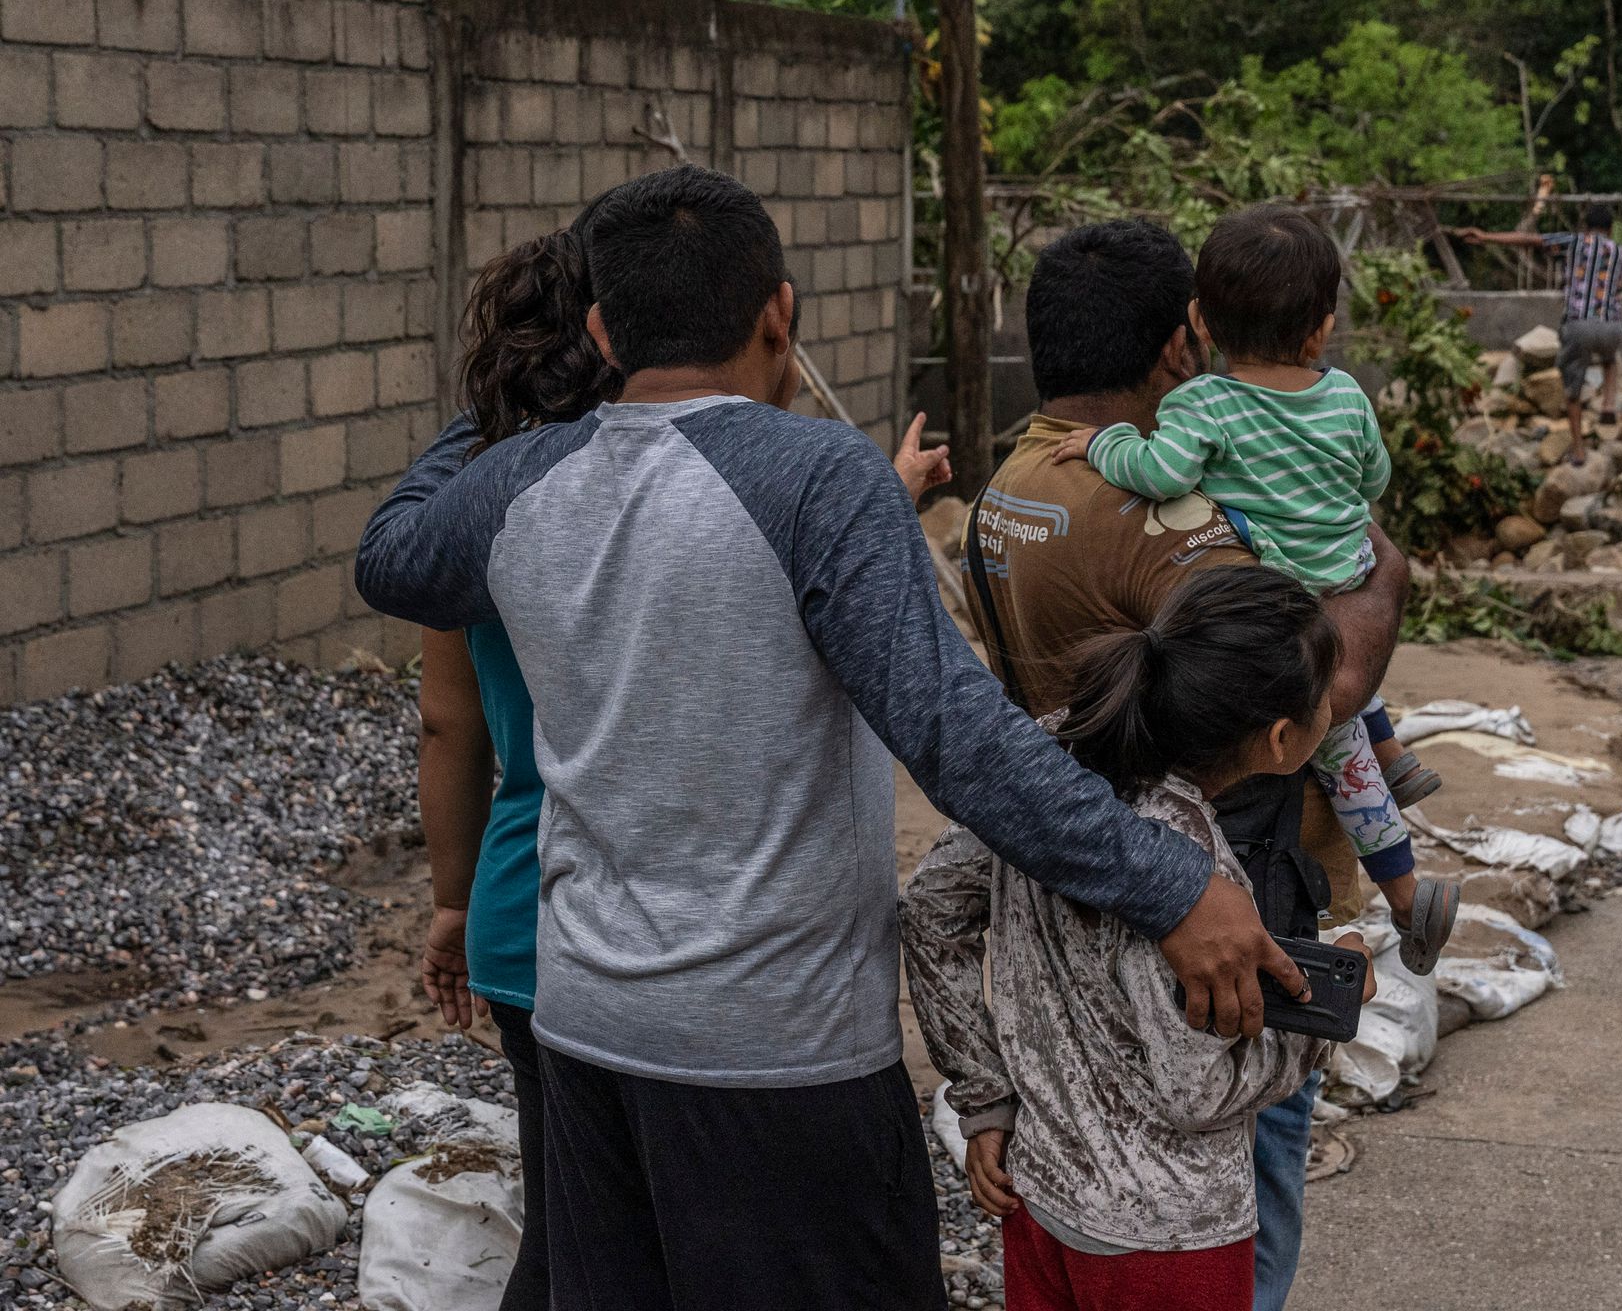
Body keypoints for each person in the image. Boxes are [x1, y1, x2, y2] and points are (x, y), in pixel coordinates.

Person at [355, 167, 1304, 1311]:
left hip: (587, 1029)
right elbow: (956, 738)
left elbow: (388, 549)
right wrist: (1171, 882)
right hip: (779, 1054)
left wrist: (514, 389)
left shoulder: (517, 481)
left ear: (606, 330)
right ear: (781, 314)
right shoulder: (818, 477)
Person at [410, 227, 953, 1309]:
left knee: (582, 1237)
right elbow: (781, 606)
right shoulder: (701, 501)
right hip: (749, 1001)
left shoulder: (491, 519)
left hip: (543, 931)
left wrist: (450, 903)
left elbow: (446, 727)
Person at [961, 217, 1405, 1311]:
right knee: (1238, 1179)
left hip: (1065, 881)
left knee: (1099, 1167)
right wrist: (1383, 571)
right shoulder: (1166, 522)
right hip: (1214, 897)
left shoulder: (1006, 488)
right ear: (1179, 344)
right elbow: (1310, 694)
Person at [903, 567, 1362, 1311]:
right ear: (1281, 740)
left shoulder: (1044, 772)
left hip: (1042, 1199)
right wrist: (1320, 1021)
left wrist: (985, 1094)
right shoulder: (1202, 881)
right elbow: (1198, 1088)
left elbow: (929, 907)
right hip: (1170, 1244)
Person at [1053, 206, 1457, 976]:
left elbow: (1161, 473)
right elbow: (1375, 479)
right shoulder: (1346, 399)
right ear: (1322, 330)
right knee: (1353, 657)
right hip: (1346, 567)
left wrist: (1105, 443)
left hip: (1280, 602)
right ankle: (1395, 753)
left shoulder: (1202, 405)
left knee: (1337, 749)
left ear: (1199, 321)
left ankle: (1407, 894)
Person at [1458, 204, 1622, 463]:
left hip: (1577, 325)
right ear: (1610, 229)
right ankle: (1609, 405)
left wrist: (1486, 237)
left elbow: (1529, 240)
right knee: (1610, 360)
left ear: (1586, 227)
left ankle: (1578, 449)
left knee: (1572, 391)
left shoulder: (1574, 242)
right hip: (1612, 327)